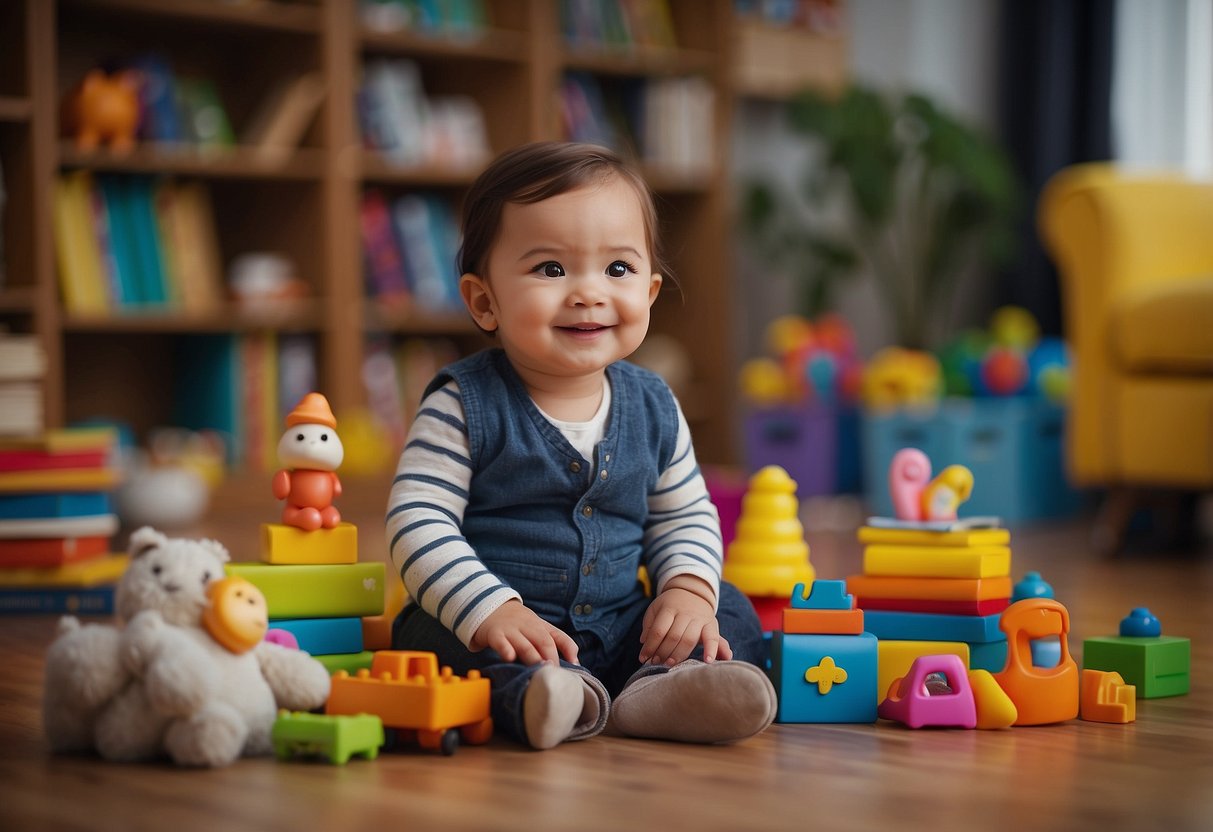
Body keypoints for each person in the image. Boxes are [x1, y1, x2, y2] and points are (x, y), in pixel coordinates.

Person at [386, 141, 776, 750]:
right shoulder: (464, 403)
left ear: (647, 293)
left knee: (729, 607)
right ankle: (544, 696)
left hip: (625, 630)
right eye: (551, 269)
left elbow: (685, 516)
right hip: (499, 626)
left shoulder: (654, 404)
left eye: (616, 270)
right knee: (435, 640)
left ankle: (668, 687)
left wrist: (685, 592)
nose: (588, 292)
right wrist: (490, 610)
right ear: (484, 301)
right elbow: (418, 520)